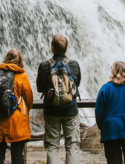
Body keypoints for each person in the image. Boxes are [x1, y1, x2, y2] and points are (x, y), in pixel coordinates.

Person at [36, 34, 82, 164]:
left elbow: (40, 88)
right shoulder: (74, 65)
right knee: (72, 145)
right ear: (66, 48)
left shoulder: (44, 66)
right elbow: (76, 85)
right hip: (71, 111)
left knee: (52, 146)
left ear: (52, 48)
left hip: (51, 110)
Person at [0, 49, 34, 164]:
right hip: (16, 121)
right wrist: (26, 109)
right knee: (17, 154)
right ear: (20, 60)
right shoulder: (22, 75)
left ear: (6, 58)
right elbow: (29, 98)